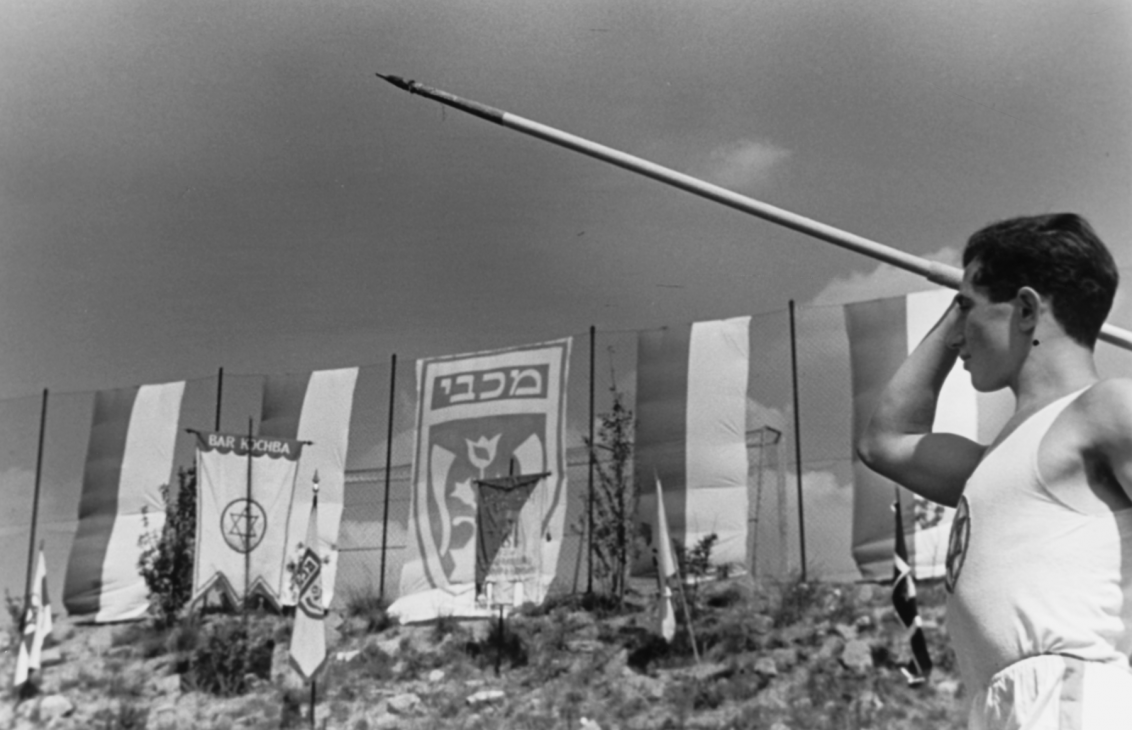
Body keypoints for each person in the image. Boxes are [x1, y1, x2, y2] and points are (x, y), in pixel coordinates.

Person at [857, 213, 1132, 729]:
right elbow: (884, 442)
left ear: (1025, 309)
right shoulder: (987, 463)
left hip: (1073, 699)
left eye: (967, 310)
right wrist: (961, 299)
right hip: (997, 707)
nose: (957, 335)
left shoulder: (1107, 407)